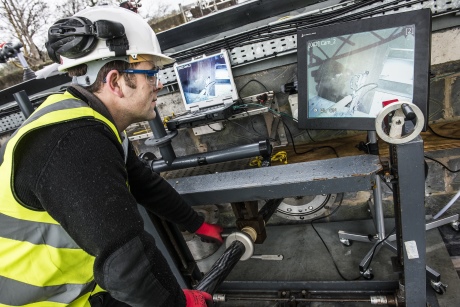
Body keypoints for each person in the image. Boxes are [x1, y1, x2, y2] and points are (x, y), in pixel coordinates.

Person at [0, 6, 222, 307]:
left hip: (76, 288)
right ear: (116, 81)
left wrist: (195, 223)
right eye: (151, 73)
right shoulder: (74, 141)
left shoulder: (91, 121)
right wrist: (178, 303)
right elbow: (127, 267)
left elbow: (144, 183)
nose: (158, 84)